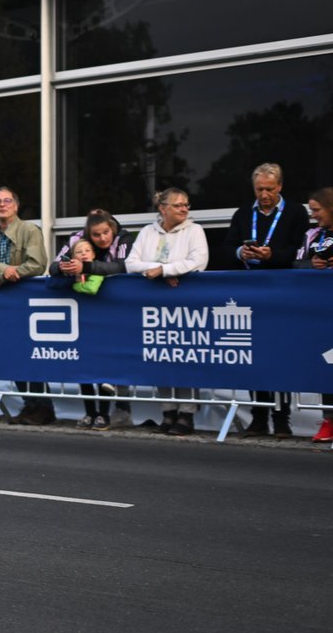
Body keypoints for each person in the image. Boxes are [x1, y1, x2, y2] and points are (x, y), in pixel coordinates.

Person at [221, 164, 308, 438]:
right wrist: (240, 252)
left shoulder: (295, 212)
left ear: (280, 186)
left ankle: (282, 419)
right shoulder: (244, 213)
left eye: (270, 189)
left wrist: (273, 255)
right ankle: (258, 417)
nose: (265, 194)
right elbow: (226, 247)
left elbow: (300, 250)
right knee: (254, 355)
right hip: (251, 292)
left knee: (279, 355)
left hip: (282, 292)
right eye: (259, 189)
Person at [125, 187, 209, 435]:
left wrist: (165, 271)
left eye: (186, 204)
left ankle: (187, 413)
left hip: (186, 304)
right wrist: (160, 269)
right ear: (163, 209)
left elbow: (199, 262)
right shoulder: (147, 232)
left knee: (186, 356)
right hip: (155, 305)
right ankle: (168, 411)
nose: (184, 208)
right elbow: (132, 263)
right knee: (159, 355)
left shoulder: (194, 230)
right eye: (178, 205)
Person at [47, 209, 134, 427]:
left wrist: (87, 266)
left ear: (112, 228)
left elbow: (124, 267)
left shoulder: (123, 238)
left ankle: (119, 410)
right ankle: (91, 412)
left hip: (115, 312)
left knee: (111, 365)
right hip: (84, 314)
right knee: (86, 366)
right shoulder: (79, 241)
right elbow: (53, 269)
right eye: (96, 235)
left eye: (106, 233)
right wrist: (66, 269)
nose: (103, 238)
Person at [0, 186, 52, 425]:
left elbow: (37, 264)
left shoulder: (30, 230)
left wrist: (0, 277)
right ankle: (29, 404)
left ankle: (43, 407)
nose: (2, 204)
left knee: (31, 354)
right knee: (13, 354)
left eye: (7, 200)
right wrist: (2, 270)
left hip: (25, 300)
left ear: (16, 206)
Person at [296, 188, 333, 442]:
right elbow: (294, 263)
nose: (313, 215)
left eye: (317, 210)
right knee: (328, 366)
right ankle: (329, 420)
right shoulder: (313, 234)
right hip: (321, 312)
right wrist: (312, 265)